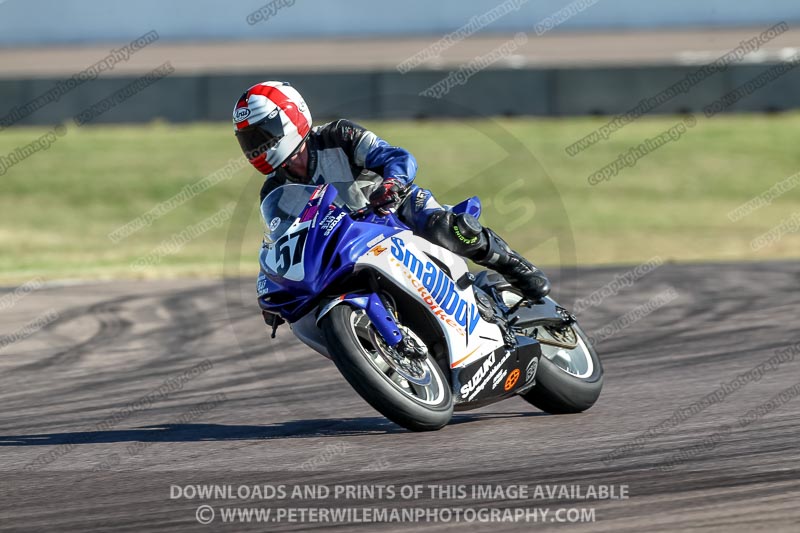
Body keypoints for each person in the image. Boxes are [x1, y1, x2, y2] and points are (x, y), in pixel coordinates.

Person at [233, 81, 550, 324]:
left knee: (445, 227)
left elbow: (397, 157)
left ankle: (517, 268)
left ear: (289, 119)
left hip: (391, 210)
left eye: (262, 135)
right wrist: (277, 289)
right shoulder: (274, 190)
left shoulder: (338, 135)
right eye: (249, 142)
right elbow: (283, 244)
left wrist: (391, 185)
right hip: (346, 246)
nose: (257, 148)